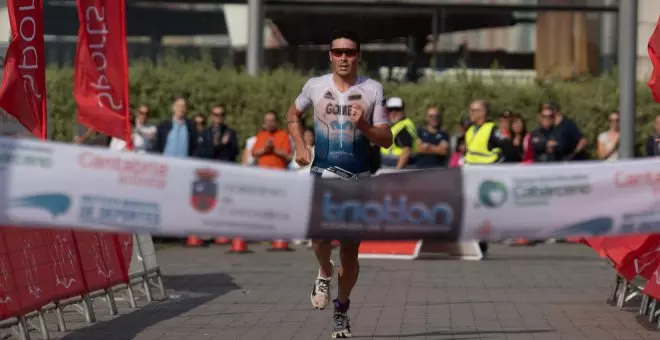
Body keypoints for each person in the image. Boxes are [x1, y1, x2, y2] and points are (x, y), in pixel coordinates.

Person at [285, 27, 392, 339]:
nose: (343, 58)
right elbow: (293, 113)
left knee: (350, 252)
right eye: (338, 52)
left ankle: (341, 311)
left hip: (357, 180)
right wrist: (299, 144)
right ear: (330, 56)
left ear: (358, 56)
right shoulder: (314, 85)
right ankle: (323, 271)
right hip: (322, 174)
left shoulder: (373, 89)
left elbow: (386, 139)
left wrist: (364, 125)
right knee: (318, 240)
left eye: (349, 52)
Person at [380, 97, 416, 169]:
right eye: (390, 110)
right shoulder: (395, 125)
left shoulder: (403, 128)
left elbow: (406, 151)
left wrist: (397, 171)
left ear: (403, 110)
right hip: (389, 168)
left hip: (398, 171)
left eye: (397, 109)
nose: (393, 113)